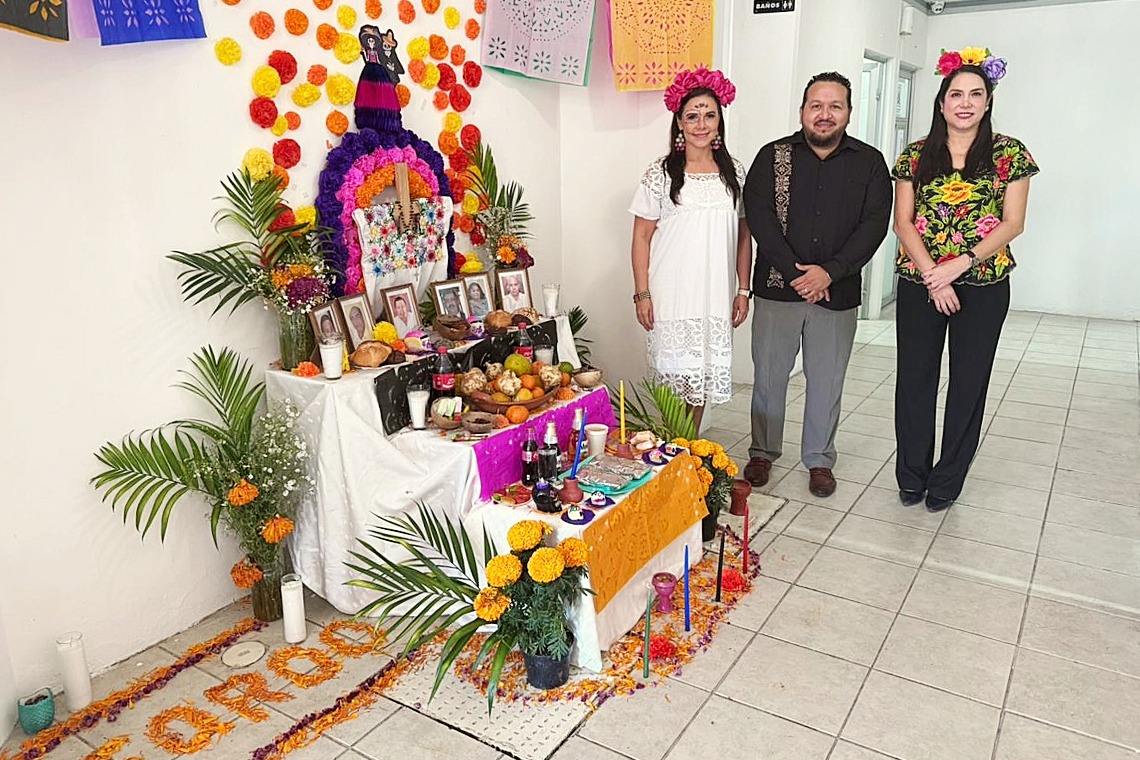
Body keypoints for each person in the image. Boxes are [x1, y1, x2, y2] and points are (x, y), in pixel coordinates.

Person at [892, 49, 1037, 513]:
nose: (965, 103)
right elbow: (903, 222)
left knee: (968, 384)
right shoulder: (915, 155)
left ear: (988, 102)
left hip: (984, 285)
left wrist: (960, 265)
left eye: (976, 94)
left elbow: (1013, 223)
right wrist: (934, 278)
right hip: (920, 283)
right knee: (915, 379)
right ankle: (911, 474)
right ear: (941, 103)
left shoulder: (1009, 154)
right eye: (956, 94)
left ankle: (947, 480)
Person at [743, 72, 892, 498]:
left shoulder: (869, 163)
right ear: (802, 111)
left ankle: (820, 459)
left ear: (848, 112)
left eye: (834, 106)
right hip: (777, 288)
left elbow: (874, 225)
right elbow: (760, 219)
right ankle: (762, 452)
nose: (825, 114)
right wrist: (799, 275)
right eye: (816, 106)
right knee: (769, 376)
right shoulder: (773, 157)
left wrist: (830, 272)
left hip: (836, 293)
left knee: (827, 381)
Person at [629, 67, 752, 434]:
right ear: (679, 123)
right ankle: (672, 451)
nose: (701, 124)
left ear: (719, 122)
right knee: (674, 382)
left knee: (700, 381)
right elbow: (641, 237)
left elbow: (744, 236)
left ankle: (686, 447)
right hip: (672, 294)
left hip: (714, 294)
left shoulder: (735, 173)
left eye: (709, 115)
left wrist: (743, 289)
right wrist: (642, 293)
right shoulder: (661, 173)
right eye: (692, 116)